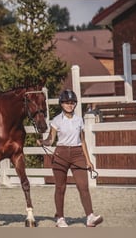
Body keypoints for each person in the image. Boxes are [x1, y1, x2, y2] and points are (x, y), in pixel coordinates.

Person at [37, 90, 103, 227]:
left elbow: (83, 141)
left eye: (72, 103)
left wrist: (88, 161)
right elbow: (51, 140)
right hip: (61, 154)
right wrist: (43, 142)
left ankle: (90, 216)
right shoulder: (56, 121)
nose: (69, 105)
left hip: (77, 154)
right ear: (61, 104)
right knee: (60, 187)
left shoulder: (79, 120)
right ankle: (60, 218)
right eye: (67, 103)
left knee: (83, 186)